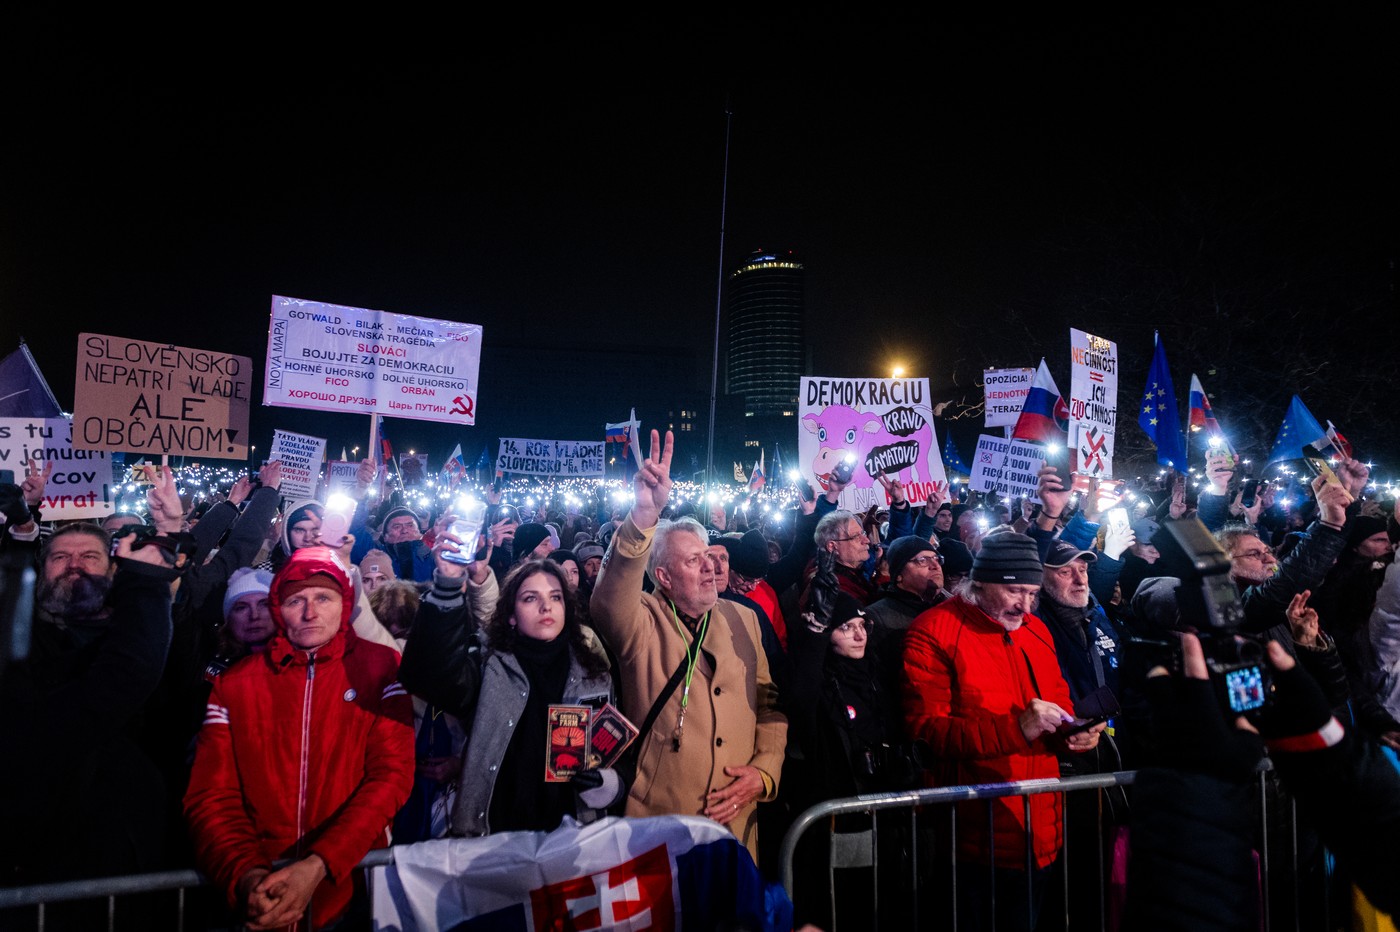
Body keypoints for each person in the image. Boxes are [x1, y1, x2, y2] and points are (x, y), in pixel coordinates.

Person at [184, 546, 414, 929]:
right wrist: (246, 874)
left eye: (324, 597)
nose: (310, 612)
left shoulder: (379, 667)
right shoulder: (235, 683)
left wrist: (319, 864)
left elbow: (391, 775)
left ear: (344, 604)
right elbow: (211, 794)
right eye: (296, 600)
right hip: (263, 891)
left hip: (348, 885)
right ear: (279, 608)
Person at [590, 430, 787, 862]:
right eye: (693, 560)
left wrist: (765, 772)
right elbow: (608, 600)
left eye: (711, 556)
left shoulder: (745, 619)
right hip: (661, 828)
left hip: (736, 827)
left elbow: (771, 705)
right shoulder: (641, 619)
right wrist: (644, 514)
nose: (711, 567)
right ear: (663, 577)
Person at [903, 532, 1103, 931]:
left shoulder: (1036, 629)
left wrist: (1074, 734)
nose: (1025, 605)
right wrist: (1017, 728)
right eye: (1015, 591)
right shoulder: (933, 632)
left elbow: (1059, 703)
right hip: (976, 837)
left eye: (1032, 593)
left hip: (1042, 827)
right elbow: (927, 732)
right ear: (980, 582)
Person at [399, 543, 623, 836]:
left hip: (572, 840)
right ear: (511, 614)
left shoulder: (593, 673)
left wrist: (610, 784)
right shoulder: (488, 666)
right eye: (531, 598)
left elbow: (616, 748)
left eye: (556, 597)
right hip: (494, 839)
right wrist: (449, 584)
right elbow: (429, 676)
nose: (546, 607)